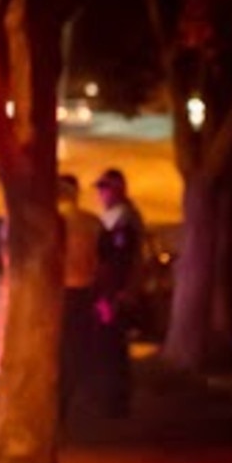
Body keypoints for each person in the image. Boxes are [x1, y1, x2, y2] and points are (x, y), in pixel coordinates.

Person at [93, 167, 146, 417]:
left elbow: (121, 260)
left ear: (119, 189)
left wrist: (118, 294)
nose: (101, 193)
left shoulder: (124, 219)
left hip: (116, 293)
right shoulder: (112, 216)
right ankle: (111, 401)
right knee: (108, 346)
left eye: (106, 188)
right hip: (113, 291)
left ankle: (117, 403)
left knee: (113, 346)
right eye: (100, 188)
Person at [57, 174, 104, 424]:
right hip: (85, 292)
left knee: (59, 354)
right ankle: (80, 402)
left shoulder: (53, 221)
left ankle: (61, 406)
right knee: (80, 351)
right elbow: (105, 262)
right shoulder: (93, 222)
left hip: (58, 295)